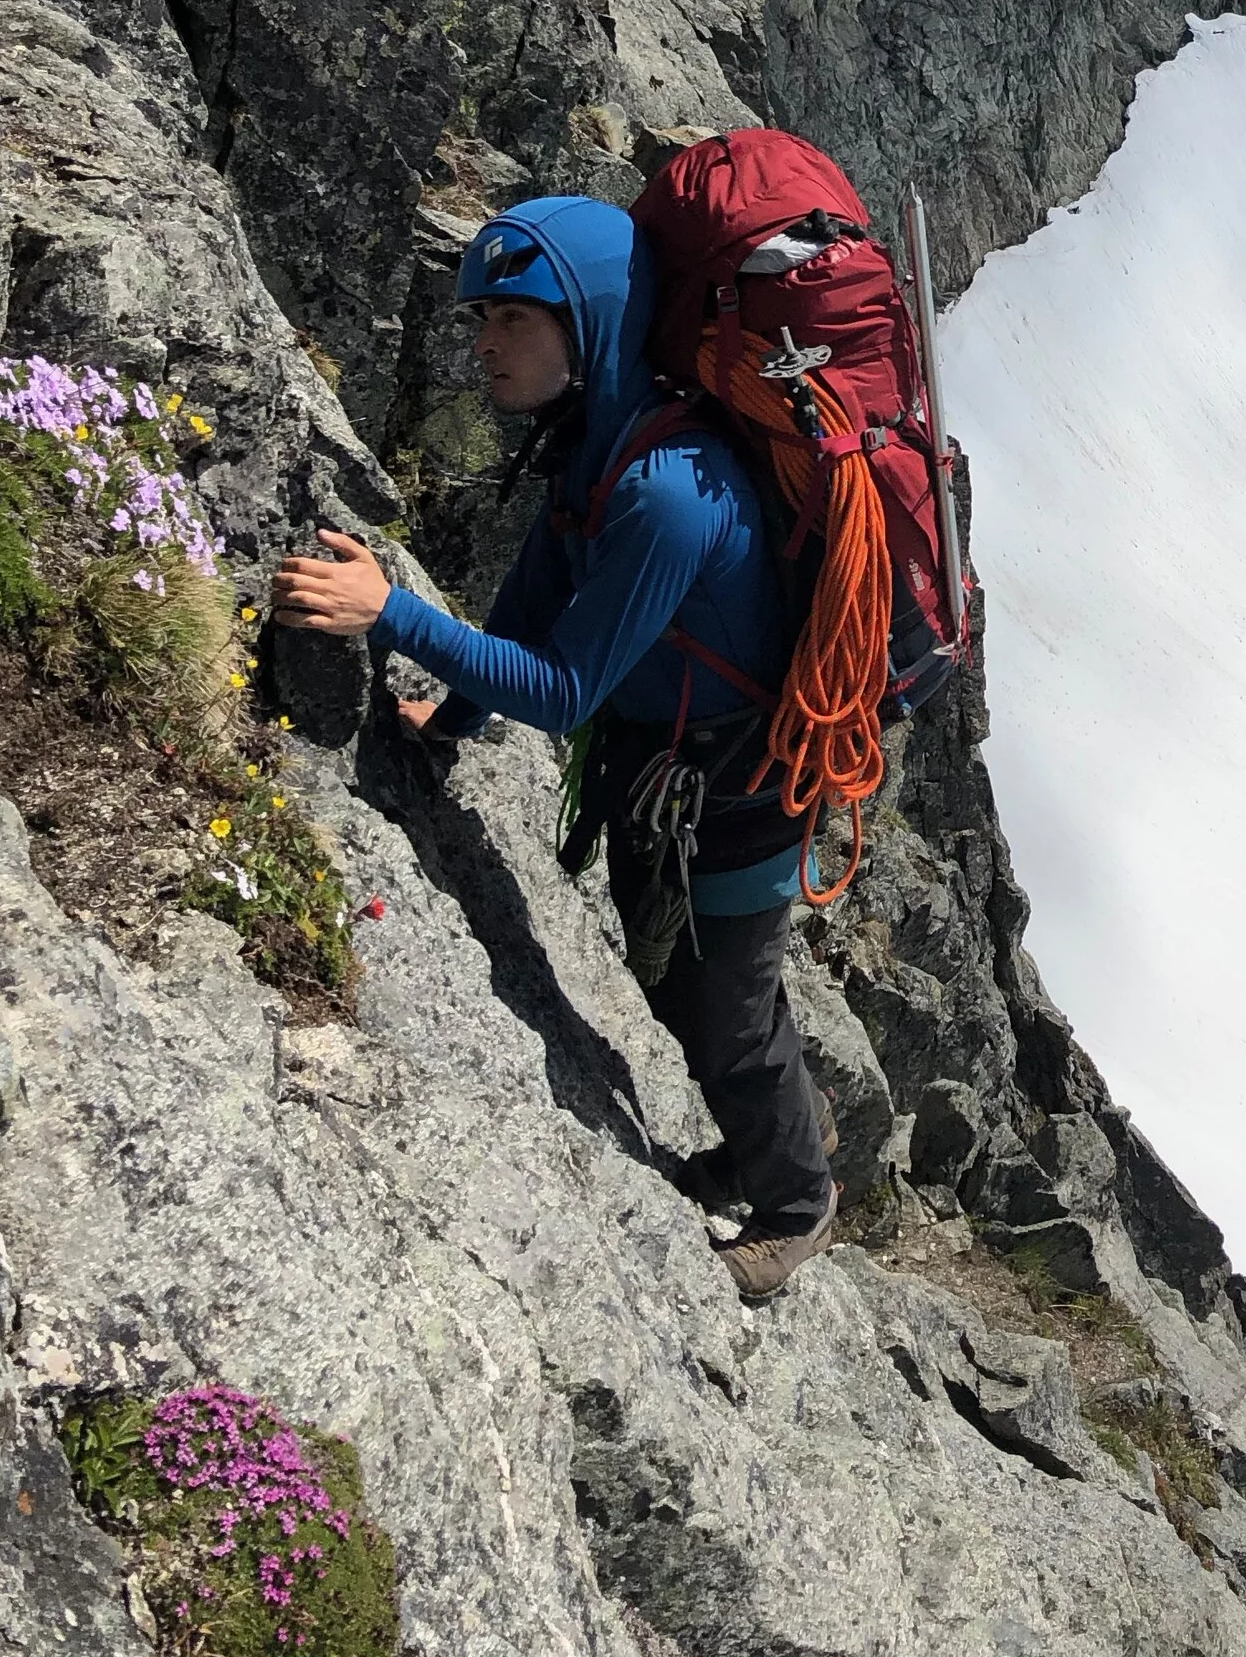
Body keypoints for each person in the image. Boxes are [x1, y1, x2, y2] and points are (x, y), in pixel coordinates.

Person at [271, 196, 840, 1299]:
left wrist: (390, 611)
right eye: (481, 317)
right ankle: (775, 1135)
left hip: (742, 788)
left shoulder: (669, 493)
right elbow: (533, 604)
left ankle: (796, 1202)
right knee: (684, 989)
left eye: (512, 320)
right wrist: (452, 717)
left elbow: (564, 687)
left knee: (726, 1008)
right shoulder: (595, 449)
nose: (483, 343)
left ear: (591, 322)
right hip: (670, 771)